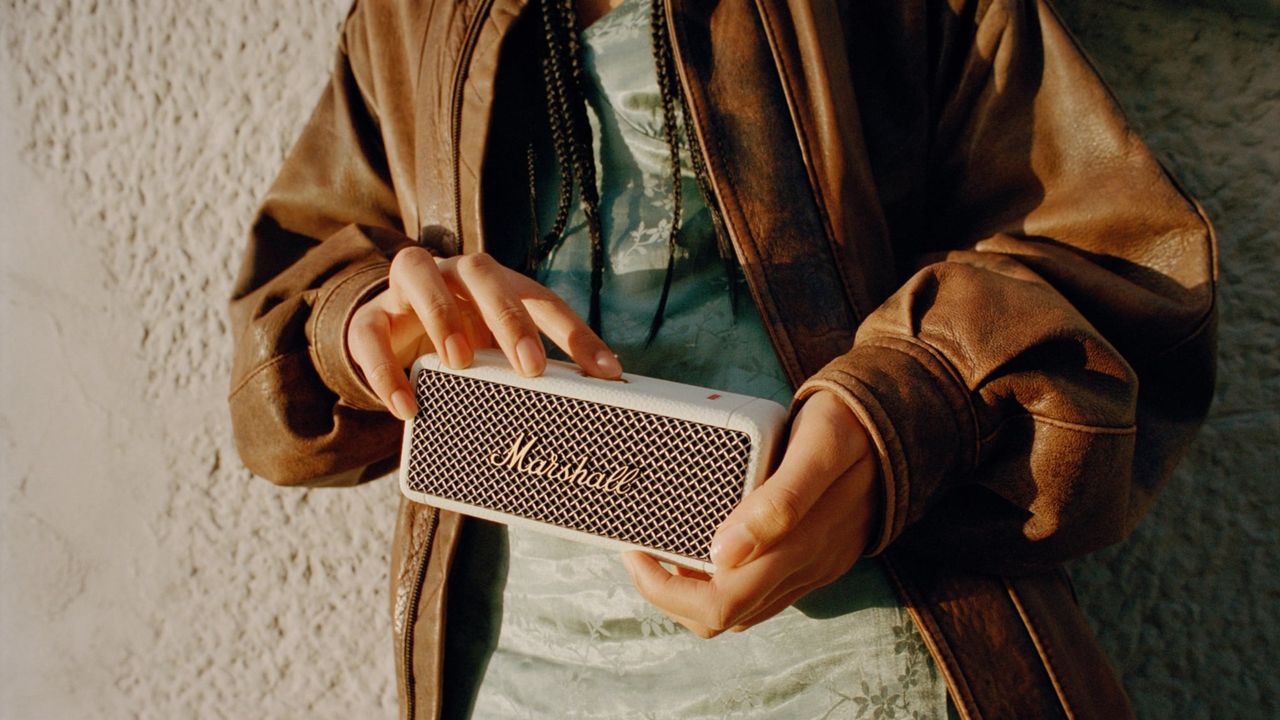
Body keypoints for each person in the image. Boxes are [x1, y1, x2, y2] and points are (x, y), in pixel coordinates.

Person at [228, 0, 1217, 716]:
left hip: (871, 664)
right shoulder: (403, 17)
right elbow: (282, 342)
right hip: (508, 674)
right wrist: (358, 323)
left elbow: (1121, 267)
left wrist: (898, 425)